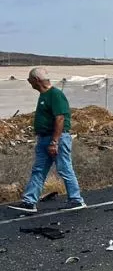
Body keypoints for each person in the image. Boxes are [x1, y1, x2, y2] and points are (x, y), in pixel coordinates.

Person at [8, 67, 86, 214]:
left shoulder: (55, 95)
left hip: (56, 138)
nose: (29, 82)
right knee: (38, 170)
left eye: (30, 79)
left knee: (64, 168)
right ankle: (29, 202)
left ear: (36, 80)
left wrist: (54, 141)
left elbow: (60, 118)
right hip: (44, 138)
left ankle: (76, 199)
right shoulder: (43, 96)